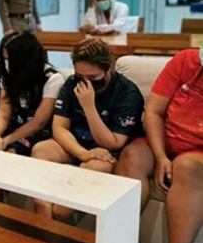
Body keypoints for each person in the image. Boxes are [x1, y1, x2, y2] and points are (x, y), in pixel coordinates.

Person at [115, 48, 203, 243]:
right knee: (132, 155)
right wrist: (161, 157)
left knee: (186, 167)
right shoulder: (185, 62)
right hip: (166, 142)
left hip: (197, 154)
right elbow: (153, 111)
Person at [32, 38, 143, 221]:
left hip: (106, 152)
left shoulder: (128, 93)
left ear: (108, 69)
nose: (85, 83)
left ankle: (59, 219)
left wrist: (89, 106)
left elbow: (114, 142)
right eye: (80, 76)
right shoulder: (71, 83)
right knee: (41, 149)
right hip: (77, 145)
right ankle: (43, 224)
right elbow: (59, 127)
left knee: (63, 207)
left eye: (92, 78)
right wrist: (82, 153)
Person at [0, 32, 65, 199]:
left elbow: (39, 122)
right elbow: (4, 112)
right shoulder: (7, 75)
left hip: (37, 133)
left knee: (9, 156)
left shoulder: (52, 78)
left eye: (9, 59)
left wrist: (7, 139)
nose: (6, 63)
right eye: (4, 58)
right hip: (13, 126)